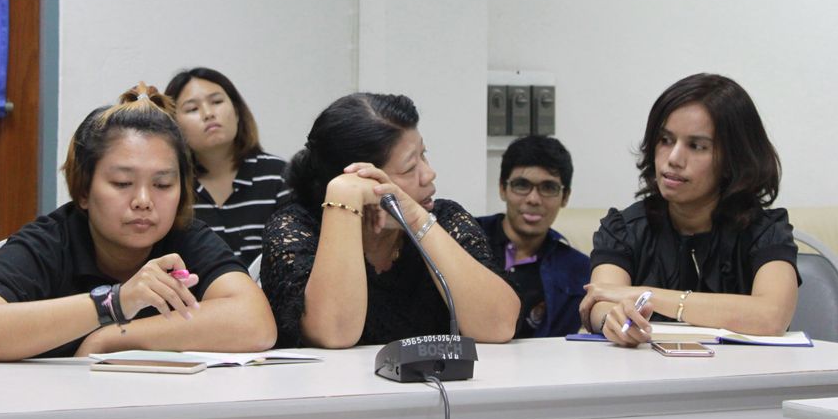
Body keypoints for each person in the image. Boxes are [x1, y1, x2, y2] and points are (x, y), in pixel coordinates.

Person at [0, 83, 276, 361]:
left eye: (162, 184)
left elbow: (255, 323)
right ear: (84, 190)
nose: (143, 200)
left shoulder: (185, 237)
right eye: (122, 183)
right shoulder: (50, 241)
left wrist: (112, 337)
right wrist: (114, 303)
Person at [261, 93, 520, 348]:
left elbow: (499, 326)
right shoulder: (295, 229)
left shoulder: (445, 219)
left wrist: (416, 219)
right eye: (409, 168)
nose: (429, 174)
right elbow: (334, 334)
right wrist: (344, 195)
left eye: (424, 155)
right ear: (360, 178)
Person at [579, 73, 799, 347]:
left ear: (733, 159)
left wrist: (646, 295)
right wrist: (611, 320)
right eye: (665, 140)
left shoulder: (765, 231)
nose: (673, 159)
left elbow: (771, 316)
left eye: (696, 146)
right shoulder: (624, 229)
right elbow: (601, 300)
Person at [165, 68, 289, 266]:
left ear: (237, 112)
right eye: (192, 109)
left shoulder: (279, 175)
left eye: (216, 102)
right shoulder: (171, 187)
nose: (208, 114)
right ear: (175, 126)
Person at [477, 135, 590, 337]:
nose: (533, 199)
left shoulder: (579, 271)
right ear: (502, 189)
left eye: (548, 188)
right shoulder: (467, 239)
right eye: (522, 185)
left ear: (565, 197)